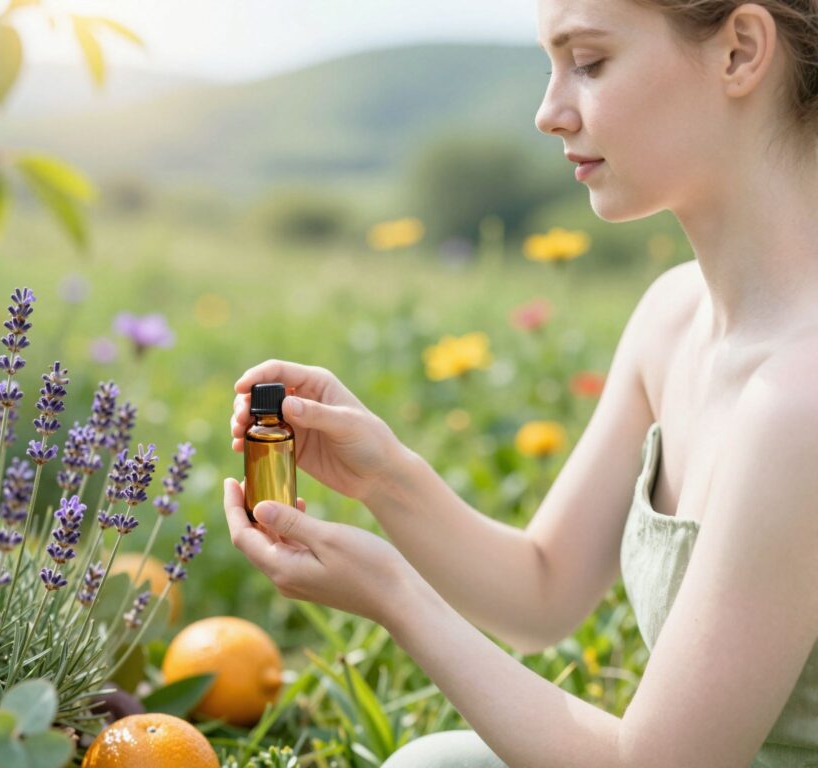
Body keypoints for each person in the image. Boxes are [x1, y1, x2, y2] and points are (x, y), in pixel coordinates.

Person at [223, 1, 818, 765]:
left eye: (590, 62)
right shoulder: (673, 317)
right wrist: (385, 477)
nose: (547, 112)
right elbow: (543, 592)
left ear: (739, 51)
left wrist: (396, 599)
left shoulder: (799, 399)